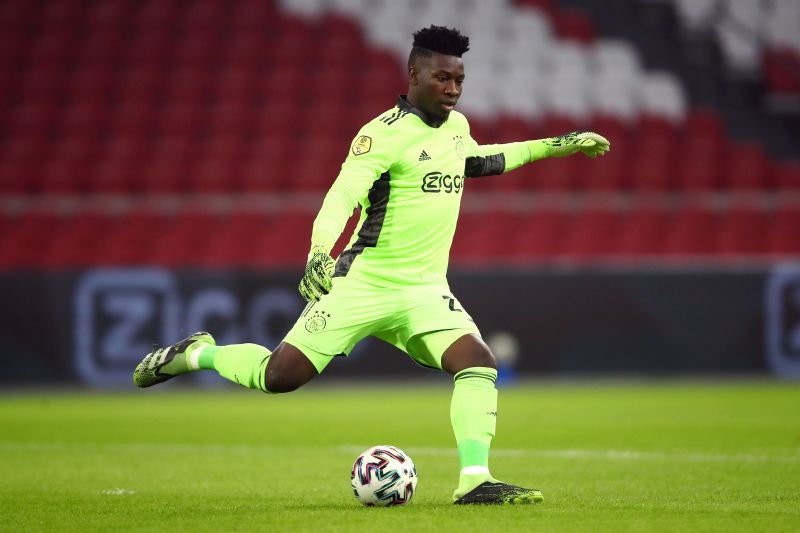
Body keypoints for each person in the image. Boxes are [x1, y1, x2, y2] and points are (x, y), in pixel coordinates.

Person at [134, 25, 609, 505]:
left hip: (424, 290)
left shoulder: (457, 129)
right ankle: (199, 353)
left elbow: (482, 161)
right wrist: (320, 249)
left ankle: (474, 481)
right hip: (364, 283)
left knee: (478, 363)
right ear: (414, 75)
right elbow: (343, 195)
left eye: (459, 80)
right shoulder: (381, 135)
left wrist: (558, 144)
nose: (453, 89)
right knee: (279, 377)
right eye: (443, 78)